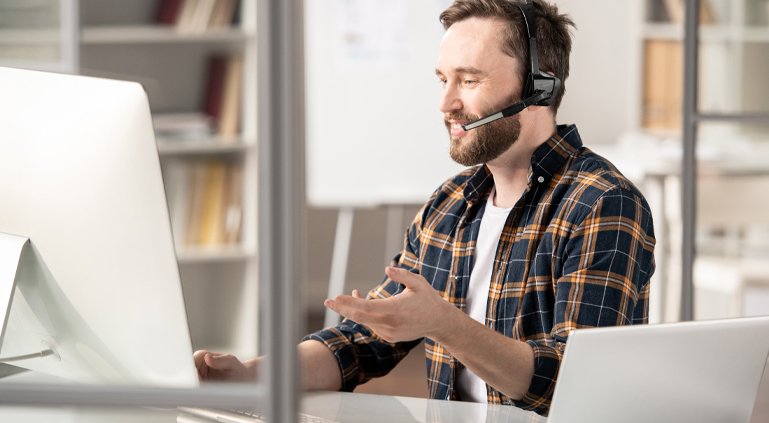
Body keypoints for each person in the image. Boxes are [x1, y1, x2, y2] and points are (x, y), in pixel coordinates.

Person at [194, 0, 655, 416]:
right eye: (442, 80)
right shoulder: (450, 203)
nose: (446, 104)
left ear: (539, 87)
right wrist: (248, 375)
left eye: (469, 80)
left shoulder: (602, 204)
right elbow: (363, 343)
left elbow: (570, 381)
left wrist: (443, 322)